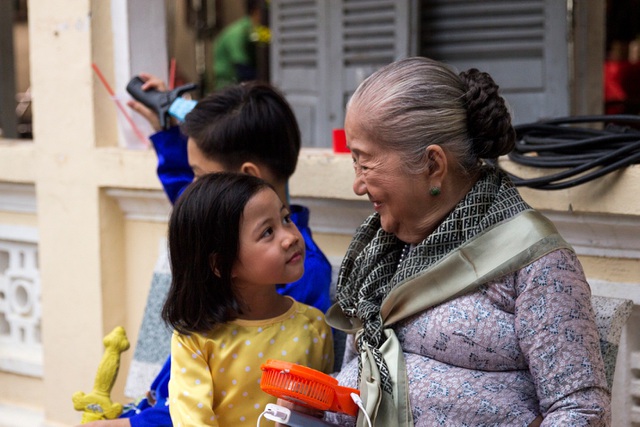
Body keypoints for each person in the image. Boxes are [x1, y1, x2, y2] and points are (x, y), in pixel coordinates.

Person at [314, 56, 610, 426]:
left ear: (433, 165)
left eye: (365, 163)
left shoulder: (535, 260)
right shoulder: (382, 250)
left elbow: (582, 412)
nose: (357, 184)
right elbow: (361, 375)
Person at [78, 79, 333, 426]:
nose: (191, 187)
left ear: (244, 177)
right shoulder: (250, 249)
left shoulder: (299, 277)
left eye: (198, 174)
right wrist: (166, 132)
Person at [162, 172, 334, 425]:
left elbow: (320, 416)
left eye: (286, 219)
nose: (290, 237)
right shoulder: (196, 340)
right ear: (222, 263)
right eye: (267, 232)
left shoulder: (313, 325)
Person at [212, 0, 261, 91]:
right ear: (256, 11)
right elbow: (241, 66)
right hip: (228, 86)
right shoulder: (239, 32)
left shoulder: (253, 30)